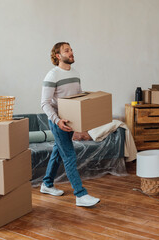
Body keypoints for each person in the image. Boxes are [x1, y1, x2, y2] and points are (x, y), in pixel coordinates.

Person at [40, 42, 100, 207]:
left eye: (71, 49)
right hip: (59, 122)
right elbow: (44, 103)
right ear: (58, 56)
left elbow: (78, 98)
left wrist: (84, 120)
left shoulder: (75, 73)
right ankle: (80, 194)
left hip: (71, 121)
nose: (71, 52)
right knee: (69, 156)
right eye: (67, 50)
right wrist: (57, 121)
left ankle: (47, 184)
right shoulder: (52, 75)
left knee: (58, 152)